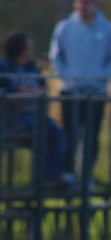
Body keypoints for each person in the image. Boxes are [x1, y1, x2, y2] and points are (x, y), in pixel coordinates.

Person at [49, 0, 111, 186]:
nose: (82, 6)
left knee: (91, 134)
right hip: (70, 90)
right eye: (79, 1)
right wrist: (68, 77)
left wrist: (99, 76)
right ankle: (67, 173)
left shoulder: (108, 29)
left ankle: (86, 175)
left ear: (95, 3)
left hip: (95, 91)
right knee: (69, 133)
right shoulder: (64, 27)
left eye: (87, 2)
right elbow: (56, 57)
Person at [0, 32, 68, 184]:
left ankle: (51, 177)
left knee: (57, 133)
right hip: (10, 118)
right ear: (21, 48)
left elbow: (43, 89)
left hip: (34, 115)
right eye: (28, 45)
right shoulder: (4, 67)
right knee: (47, 130)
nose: (31, 49)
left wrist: (33, 92)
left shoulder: (32, 68)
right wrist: (14, 93)